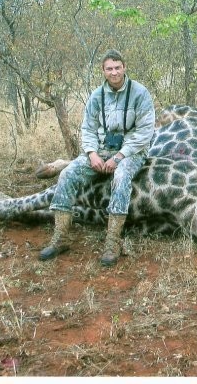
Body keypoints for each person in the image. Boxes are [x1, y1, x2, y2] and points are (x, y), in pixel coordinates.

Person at [39, 49, 155, 266]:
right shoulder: (96, 96)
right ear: (103, 70)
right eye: (109, 68)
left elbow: (144, 133)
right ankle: (60, 238)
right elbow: (88, 129)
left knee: (120, 178)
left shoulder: (140, 93)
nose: (114, 72)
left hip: (131, 151)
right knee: (67, 173)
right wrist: (92, 154)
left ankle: (113, 242)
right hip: (101, 150)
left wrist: (119, 157)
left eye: (117, 67)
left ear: (124, 67)